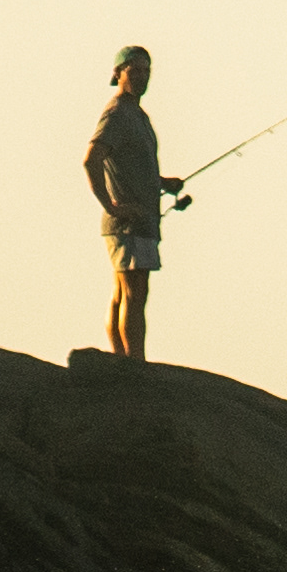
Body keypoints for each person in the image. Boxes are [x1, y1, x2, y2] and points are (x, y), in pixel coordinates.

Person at [82, 46, 189, 362]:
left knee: (124, 290)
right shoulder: (117, 113)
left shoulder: (138, 116)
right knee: (134, 291)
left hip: (143, 219)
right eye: (135, 70)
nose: (142, 77)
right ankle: (133, 361)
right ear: (118, 73)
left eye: (147, 71)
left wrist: (163, 183)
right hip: (127, 222)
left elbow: (133, 165)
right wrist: (112, 206)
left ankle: (122, 358)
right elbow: (92, 160)